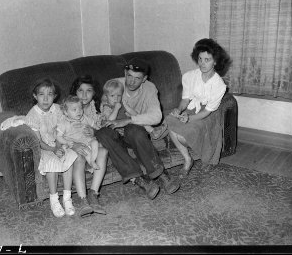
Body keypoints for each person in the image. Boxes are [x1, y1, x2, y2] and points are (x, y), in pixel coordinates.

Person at [95, 58, 181, 200]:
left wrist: (128, 120)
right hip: (114, 133)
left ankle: (160, 173)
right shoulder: (114, 85)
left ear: (144, 79)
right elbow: (104, 113)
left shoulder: (150, 88)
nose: (131, 82)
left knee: (133, 129)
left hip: (134, 130)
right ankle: (141, 180)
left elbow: (156, 117)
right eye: (129, 76)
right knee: (102, 133)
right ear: (125, 73)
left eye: (137, 78)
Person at [0, 78, 78, 218]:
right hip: (43, 146)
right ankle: (54, 200)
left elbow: (61, 131)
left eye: (50, 94)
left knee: (69, 158)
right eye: (42, 94)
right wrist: (53, 149)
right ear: (35, 96)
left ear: (55, 96)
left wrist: (60, 146)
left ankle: (67, 198)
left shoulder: (59, 109)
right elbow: (38, 141)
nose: (46, 98)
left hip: (59, 142)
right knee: (51, 163)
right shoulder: (33, 115)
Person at [165, 38, 231, 178]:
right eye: (200, 59)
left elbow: (207, 111)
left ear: (216, 61)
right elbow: (185, 99)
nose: (202, 63)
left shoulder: (219, 85)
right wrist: (179, 110)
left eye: (207, 60)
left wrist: (189, 118)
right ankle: (188, 160)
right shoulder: (191, 76)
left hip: (208, 114)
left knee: (185, 134)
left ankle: (204, 155)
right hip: (192, 107)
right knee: (171, 122)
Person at [69, 75, 109, 217]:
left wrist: (94, 131)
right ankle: (83, 199)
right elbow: (59, 131)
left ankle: (93, 193)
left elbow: (99, 127)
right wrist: (72, 145)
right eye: (80, 90)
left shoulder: (96, 109)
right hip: (71, 144)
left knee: (103, 152)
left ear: (94, 93)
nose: (84, 95)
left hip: (89, 144)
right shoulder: (68, 108)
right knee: (79, 157)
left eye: (89, 91)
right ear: (75, 92)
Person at [100, 79, 168, 140]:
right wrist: (116, 109)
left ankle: (152, 131)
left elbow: (132, 112)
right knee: (134, 129)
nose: (116, 98)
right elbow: (110, 121)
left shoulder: (121, 103)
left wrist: (134, 115)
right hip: (117, 130)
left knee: (137, 120)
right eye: (112, 96)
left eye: (119, 95)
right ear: (106, 96)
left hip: (127, 124)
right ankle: (150, 136)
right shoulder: (106, 107)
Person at [57, 95, 100, 171]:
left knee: (95, 143)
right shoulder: (64, 123)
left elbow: (93, 124)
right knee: (86, 150)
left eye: (80, 108)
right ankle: (91, 163)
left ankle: (92, 161)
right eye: (74, 110)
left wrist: (96, 129)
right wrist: (67, 142)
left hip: (87, 140)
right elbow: (58, 136)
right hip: (76, 143)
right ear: (66, 112)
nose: (79, 111)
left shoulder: (84, 117)